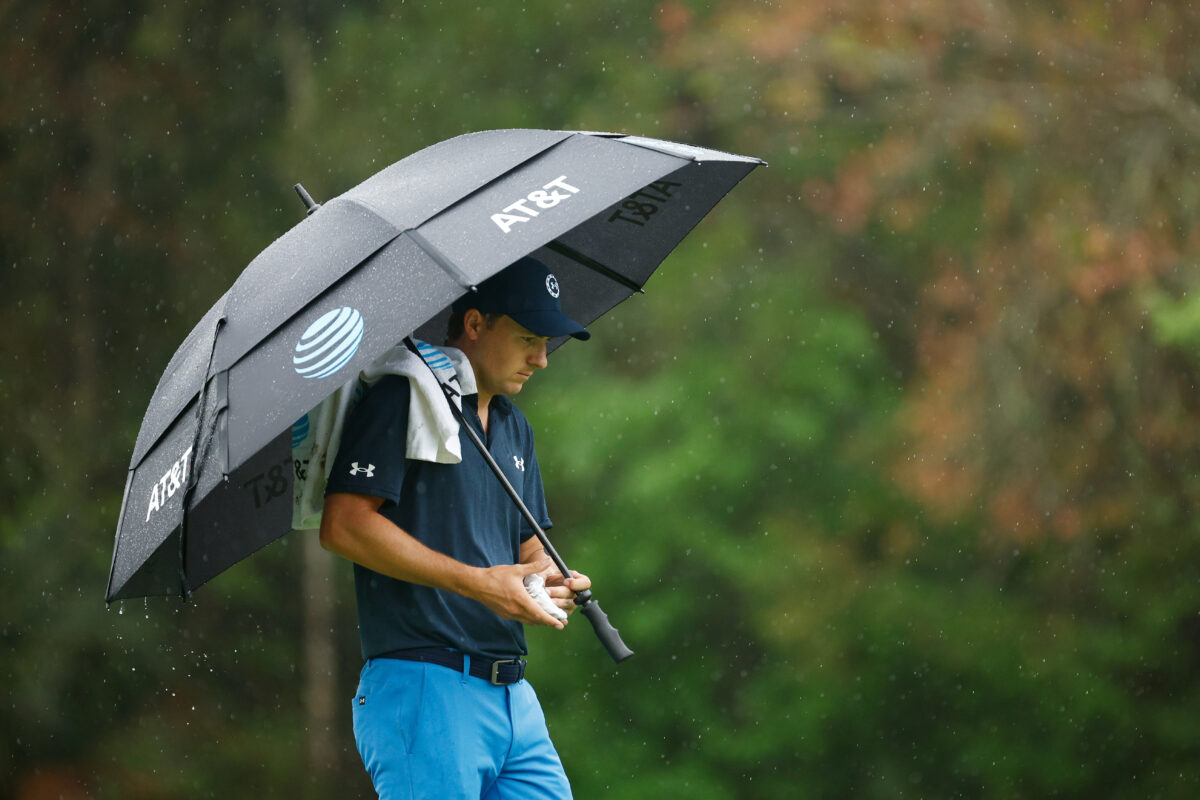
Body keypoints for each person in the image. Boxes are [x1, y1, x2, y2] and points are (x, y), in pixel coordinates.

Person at [319, 256, 591, 799]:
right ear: (474, 324)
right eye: (527, 339)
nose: (541, 360)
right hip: (425, 688)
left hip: (513, 696)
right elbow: (344, 527)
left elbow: (529, 550)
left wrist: (548, 580)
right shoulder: (402, 394)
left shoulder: (515, 426)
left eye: (547, 342)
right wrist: (477, 582)